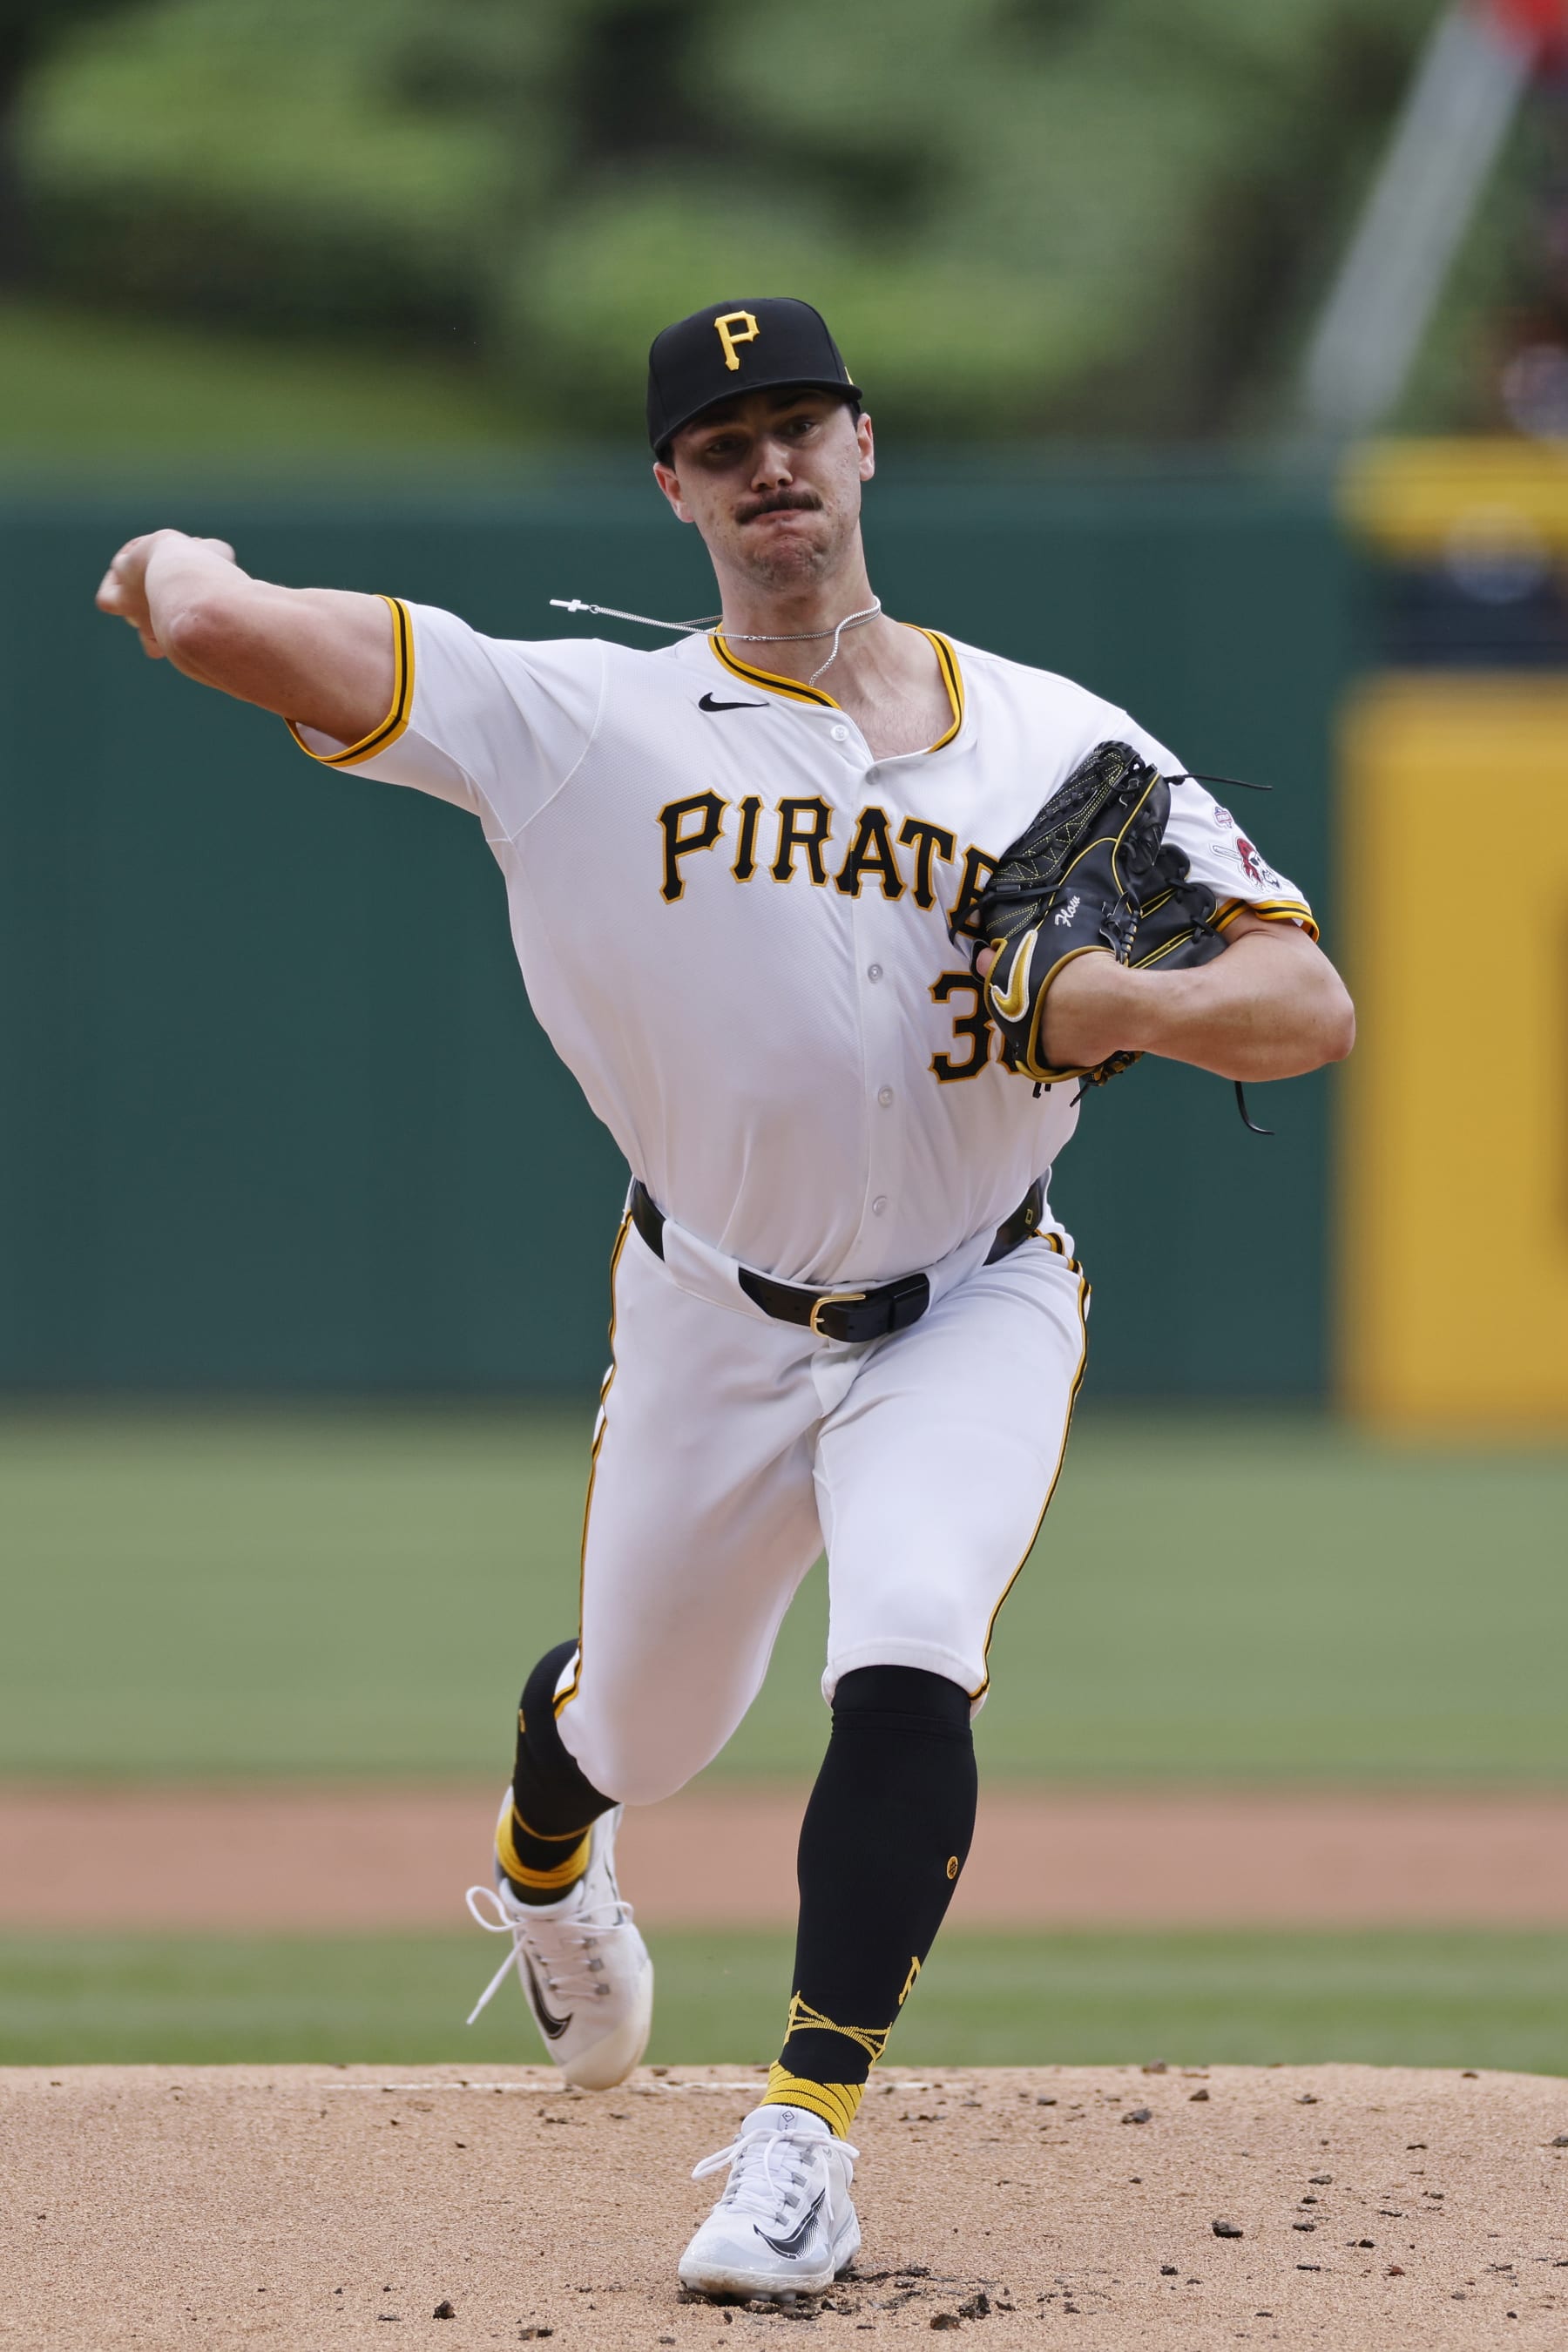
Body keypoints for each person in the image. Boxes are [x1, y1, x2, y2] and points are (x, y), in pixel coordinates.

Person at [96, 296, 1355, 2303]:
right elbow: (237, 632)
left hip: (974, 1300)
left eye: (802, 422)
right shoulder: (579, 721)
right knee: (645, 1725)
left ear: (868, 447)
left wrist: (1120, 1001)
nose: (772, 462)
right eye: (726, 437)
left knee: (910, 1642)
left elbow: (1308, 1006)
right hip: (712, 1314)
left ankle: (806, 2132)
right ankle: (546, 1865)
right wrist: (178, 569)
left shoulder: (1059, 739)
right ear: (673, 488)